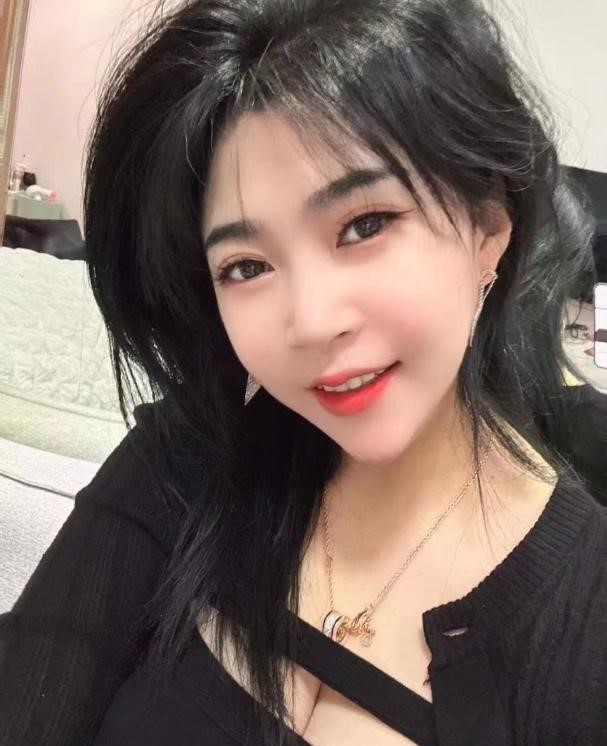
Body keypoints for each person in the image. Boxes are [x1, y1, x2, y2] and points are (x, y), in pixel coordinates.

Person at [1, 0, 606, 744]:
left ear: (488, 228)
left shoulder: (584, 627)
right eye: (245, 265)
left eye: (364, 225)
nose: (313, 322)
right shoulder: (183, 463)